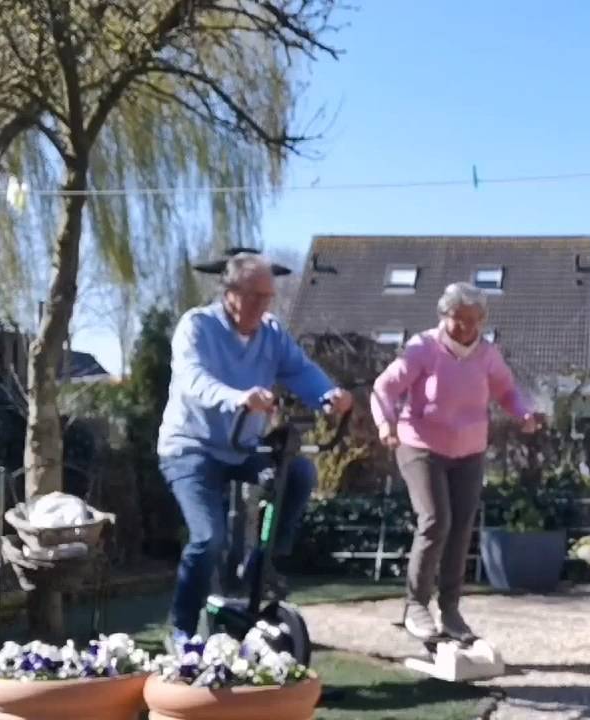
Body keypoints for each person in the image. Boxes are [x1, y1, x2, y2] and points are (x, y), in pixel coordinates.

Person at [157, 251, 352, 646]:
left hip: (243, 445)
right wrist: (238, 397)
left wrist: (328, 395)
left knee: (298, 474)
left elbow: (299, 370)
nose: (264, 305)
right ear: (229, 293)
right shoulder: (196, 326)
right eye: (255, 296)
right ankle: (182, 629)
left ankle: (260, 565)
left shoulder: (272, 332)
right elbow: (194, 380)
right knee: (209, 539)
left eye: (268, 296)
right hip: (190, 447)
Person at [370, 281, 537, 642]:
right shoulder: (422, 348)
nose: (465, 328)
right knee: (435, 520)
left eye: (473, 320)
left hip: (469, 451)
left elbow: (507, 390)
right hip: (420, 446)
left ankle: (450, 611)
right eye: (458, 319)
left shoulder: (487, 355)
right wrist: (386, 424)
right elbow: (384, 387)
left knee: (461, 528)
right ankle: (416, 605)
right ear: (443, 316)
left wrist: (523, 413)